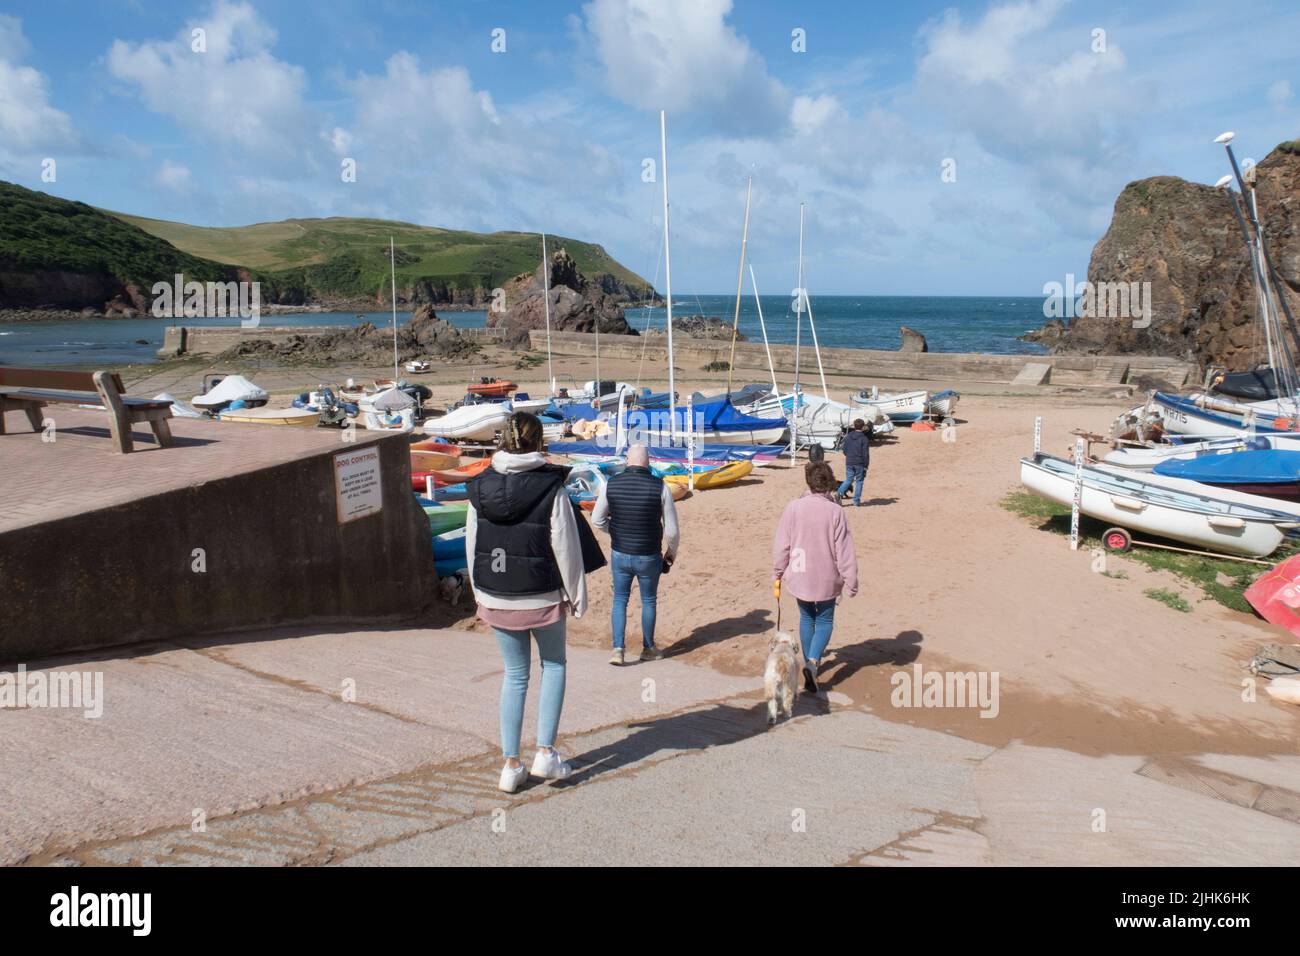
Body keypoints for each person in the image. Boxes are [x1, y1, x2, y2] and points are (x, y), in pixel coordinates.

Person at [465, 411, 589, 794]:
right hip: (542, 594)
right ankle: (545, 753)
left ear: (503, 441)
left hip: (497, 595)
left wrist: (479, 592)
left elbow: (474, 545)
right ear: (539, 442)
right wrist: (577, 596)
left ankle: (510, 764)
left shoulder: (480, 487)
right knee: (553, 665)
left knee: (515, 675)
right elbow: (565, 547)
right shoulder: (552, 488)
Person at [772, 460, 859, 693]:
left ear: (808, 482)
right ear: (829, 483)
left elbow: (783, 544)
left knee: (806, 617)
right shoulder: (836, 512)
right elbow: (844, 551)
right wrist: (851, 581)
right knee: (824, 620)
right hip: (827, 575)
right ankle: (812, 662)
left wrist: (778, 571)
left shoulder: (793, 507)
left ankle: (811, 663)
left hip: (800, 574)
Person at [591, 443, 680, 666]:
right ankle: (648, 648)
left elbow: (596, 519)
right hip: (649, 554)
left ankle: (618, 649)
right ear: (648, 462)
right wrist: (671, 553)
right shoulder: (660, 486)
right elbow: (671, 530)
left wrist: (615, 531)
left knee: (620, 599)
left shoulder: (611, 484)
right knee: (648, 600)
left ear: (627, 461)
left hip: (620, 553)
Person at [837, 418, 872, 506]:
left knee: (849, 479)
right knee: (859, 481)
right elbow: (865, 454)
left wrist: (849, 456)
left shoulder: (849, 436)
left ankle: (839, 493)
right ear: (863, 427)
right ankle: (856, 501)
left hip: (849, 461)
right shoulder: (864, 439)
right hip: (859, 462)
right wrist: (866, 466)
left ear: (854, 425)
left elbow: (844, 449)